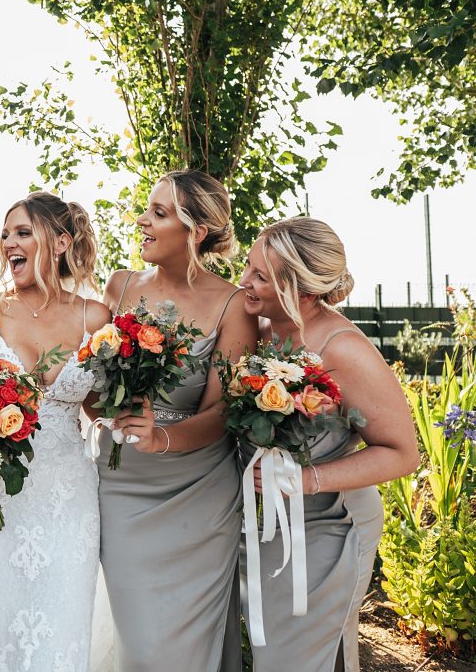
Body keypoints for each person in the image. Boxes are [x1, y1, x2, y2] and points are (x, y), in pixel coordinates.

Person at [236, 216, 419, 672]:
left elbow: (403, 452)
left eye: (261, 275)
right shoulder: (260, 332)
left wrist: (307, 478)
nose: (244, 282)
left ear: (303, 290)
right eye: (248, 266)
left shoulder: (343, 349)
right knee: (275, 654)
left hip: (332, 525)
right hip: (268, 524)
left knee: (306, 656)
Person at [0, 191, 112, 671]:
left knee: (62, 629)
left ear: (60, 242)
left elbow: (101, 408)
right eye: (5, 234)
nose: (8, 244)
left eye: (22, 232)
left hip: (67, 498)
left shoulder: (94, 318)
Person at [98, 170, 256, 670]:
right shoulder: (119, 287)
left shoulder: (231, 303)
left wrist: (161, 437)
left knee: (186, 644)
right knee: (139, 642)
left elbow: (223, 412)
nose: (142, 220)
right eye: (147, 209)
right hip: (121, 485)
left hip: (199, 494)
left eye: (159, 214)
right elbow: (94, 386)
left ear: (197, 232)